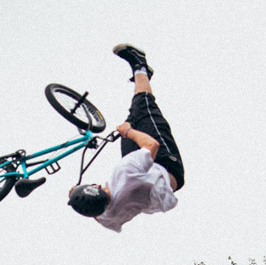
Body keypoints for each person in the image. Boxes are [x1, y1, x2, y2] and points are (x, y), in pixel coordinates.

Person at [67, 44, 184, 232]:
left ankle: (142, 80)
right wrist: (128, 132)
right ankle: (140, 65)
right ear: (97, 188)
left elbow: (97, 217)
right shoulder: (125, 173)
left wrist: (79, 199)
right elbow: (152, 145)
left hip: (146, 184)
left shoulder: (108, 217)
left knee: (132, 116)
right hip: (165, 165)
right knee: (143, 106)